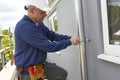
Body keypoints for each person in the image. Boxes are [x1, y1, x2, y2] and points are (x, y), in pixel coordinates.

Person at [14, 0, 80, 80]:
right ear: (31, 10)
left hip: (39, 67)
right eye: (42, 12)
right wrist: (70, 42)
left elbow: (52, 35)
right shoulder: (24, 26)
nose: (45, 14)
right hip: (28, 73)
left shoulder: (38, 23)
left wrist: (69, 38)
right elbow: (47, 46)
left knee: (61, 74)